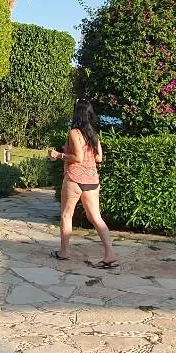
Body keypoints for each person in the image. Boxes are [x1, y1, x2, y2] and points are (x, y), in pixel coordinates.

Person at [47, 100, 117, 267]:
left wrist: (58, 155)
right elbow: (99, 158)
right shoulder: (93, 134)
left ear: (76, 113)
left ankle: (64, 252)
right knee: (96, 218)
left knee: (66, 215)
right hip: (92, 180)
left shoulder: (74, 133)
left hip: (75, 179)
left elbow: (78, 157)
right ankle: (110, 254)